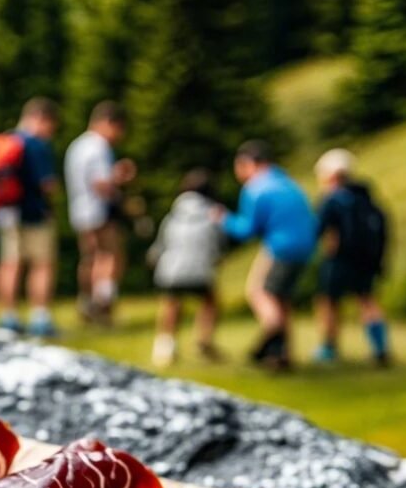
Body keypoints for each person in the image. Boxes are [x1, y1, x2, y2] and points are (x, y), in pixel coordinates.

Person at [217, 140, 317, 370]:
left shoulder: (256, 187)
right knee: (282, 298)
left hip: (280, 246)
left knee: (259, 292)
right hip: (305, 246)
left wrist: (224, 220)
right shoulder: (287, 182)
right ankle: (283, 355)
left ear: (247, 163)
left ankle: (273, 332)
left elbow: (247, 229)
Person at [0, 98, 61, 337]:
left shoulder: (6, 140)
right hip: (34, 213)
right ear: (41, 118)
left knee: (9, 263)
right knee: (42, 264)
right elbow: (47, 184)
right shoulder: (36, 145)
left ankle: (8, 316)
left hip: (6, 213)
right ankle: (40, 317)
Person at [313, 148, 391, 366]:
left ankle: (328, 348)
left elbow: (318, 229)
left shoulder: (333, 199)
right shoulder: (366, 197)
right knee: (367, 301)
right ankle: (380, 348)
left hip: (339, 259)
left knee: (328, 301)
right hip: (366, 260)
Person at [64, 101, 137, 323]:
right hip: (98, 210)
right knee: (110, 255)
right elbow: (101, 183)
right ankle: (103, 305)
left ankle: (86, 303)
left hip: (79, 209)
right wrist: (121, 178)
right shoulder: (99, 146)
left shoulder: (77, 145)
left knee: (89, 258)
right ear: (108, 123)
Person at [147, 169, 227, 367]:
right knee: (210, 302)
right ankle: (204, 341)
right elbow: (217, 246)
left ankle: (165, 346)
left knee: (172, 304)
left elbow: (161, 244)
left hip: (171, 270)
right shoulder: (212, 214)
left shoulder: (173, 215)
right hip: (199, 269)